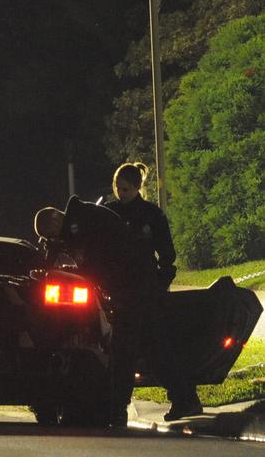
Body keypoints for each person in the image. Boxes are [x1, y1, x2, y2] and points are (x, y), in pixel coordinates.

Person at [106, 162, 202, 421]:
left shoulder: (150, 215)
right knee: (133, 351)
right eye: (118, 188)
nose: (121, 193)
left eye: (125, 188)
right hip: (118, 293)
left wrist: (158, 284)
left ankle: (121, 408)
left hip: (143, 294)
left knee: (141, 351)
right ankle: (182, 398)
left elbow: (167, 255)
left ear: (137, 187)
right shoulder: (108, 213)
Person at [34, 195, 141, 427]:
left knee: (123, 349)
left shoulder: (80, 225)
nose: (55, 239)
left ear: (55, 219)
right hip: (129, 284)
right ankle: (117, 408)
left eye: (52, 234)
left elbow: (91, 264)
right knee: (125, 348)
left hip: (130, 287)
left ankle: (118, 409)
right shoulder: (84, 218)